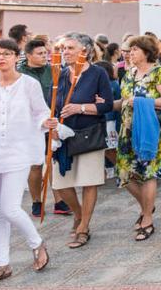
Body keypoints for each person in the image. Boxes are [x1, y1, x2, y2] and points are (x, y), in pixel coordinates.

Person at [0, 38, 51, 287]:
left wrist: (45, 122)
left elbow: (41, 111)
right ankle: (2, 264)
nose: (1, 58)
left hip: (18, 153)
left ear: (16, 57)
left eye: (7, 54)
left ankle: (37, 243)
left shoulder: (29, 84)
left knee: (10, 208)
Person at [51, 33, 113, 250]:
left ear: (84, 51)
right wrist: (53, 126)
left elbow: (107, 105)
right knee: (61, 183)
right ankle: (78, 214)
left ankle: (84, 227)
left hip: (89, 133)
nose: (64, 52)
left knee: (88, 181)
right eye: (63, 48)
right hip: (64, 135)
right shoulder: (59, 73)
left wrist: (81, 107)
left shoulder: (98, 73)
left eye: (69, 48)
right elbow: (53, 105)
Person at [114, 35, 161, 241]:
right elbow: (124, 100)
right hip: (128, 130)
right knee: (124, 173)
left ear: (146, 52)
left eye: (135, 50)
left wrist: (140, 101)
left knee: (148, 174)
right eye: (129, 50)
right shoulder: (128, 74)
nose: (130, 53)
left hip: (151, 130)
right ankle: (147, 206)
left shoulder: (158, 72)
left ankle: (147, 218)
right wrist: (100, 104)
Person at [17, 39, 70, 217]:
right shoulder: (19, 73)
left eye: (45, 53)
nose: (44, 57)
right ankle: (36, 201)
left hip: (51, 120)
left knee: (52, 161)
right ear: (29, 55)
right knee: (36, 165)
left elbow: (61, 93)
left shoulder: (54, 70)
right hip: (29, 125)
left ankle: (59, 200)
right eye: (40, 54)